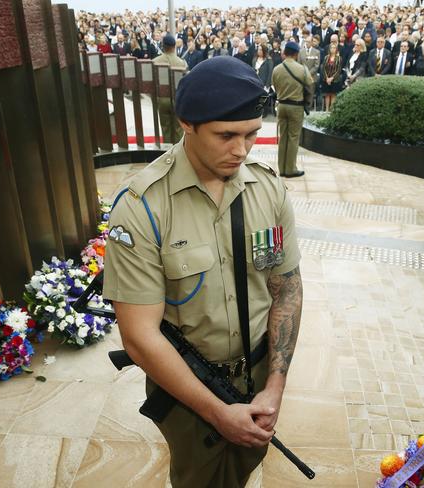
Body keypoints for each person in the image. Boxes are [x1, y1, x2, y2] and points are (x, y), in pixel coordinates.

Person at [103, 56, 303, 488]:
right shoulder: (142, 208)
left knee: (244, 465)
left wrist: (275, 385)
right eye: (226, 135)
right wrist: (216, 412)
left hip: (258, 375)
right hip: (188, 388)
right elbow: (139, 335)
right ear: (186, 124)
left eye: (251, 134)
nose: (241, 149)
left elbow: (284, 287)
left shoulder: (267, 189)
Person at [272, 41, 314, 178]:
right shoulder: (302, 69)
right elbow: (310, 86)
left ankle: (282, 168)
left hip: (282, 105)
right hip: (296, 106)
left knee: (283, 137)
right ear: (296, 54)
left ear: (284, 53)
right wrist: (307, 103)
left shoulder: (276, 69)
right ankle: (290, 169)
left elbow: (275, 86)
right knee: (293, 137)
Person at [153, 34, 188, 144]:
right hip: (177, 99)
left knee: (165, 127)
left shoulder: (155, 61)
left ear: (163, 46)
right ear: (174, 46)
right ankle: (177, 151)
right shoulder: (182, 62)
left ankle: (167, 151)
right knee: (178, 128)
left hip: (162, 99)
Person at [320, 43, 344, 110]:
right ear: (329, 49)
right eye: (331, 48)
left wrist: (332, 78)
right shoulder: (326, 57)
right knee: (327, 94)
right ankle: (327, 109)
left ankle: (331, 109)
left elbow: (338, 70)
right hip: (326, 79)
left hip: (335, 79)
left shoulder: (339, 58)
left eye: (334, 48)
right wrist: (327, 78)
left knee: (333, 94)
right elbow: (323, 68)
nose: (332, 49)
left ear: (336, 49)